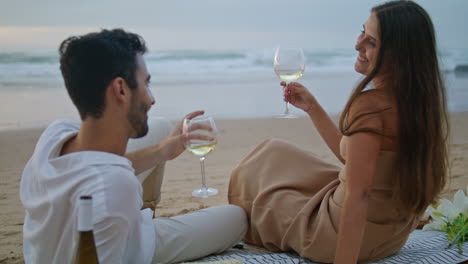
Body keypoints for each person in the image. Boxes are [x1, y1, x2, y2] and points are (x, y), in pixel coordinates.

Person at [228, 1, 449, 263]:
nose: (357, 45)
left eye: (372, 42)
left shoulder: (370, 107)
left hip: (337, 236)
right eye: (362, 32)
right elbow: (361, 165)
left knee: (263, 191)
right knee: (275, 152)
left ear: (399, 54)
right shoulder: (420, 105)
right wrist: (313, 108)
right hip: (389, 237)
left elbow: (359, 194)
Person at [20, 29, 247, 264]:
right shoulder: (116, 185)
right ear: (120, 90)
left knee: (158, 126)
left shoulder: (55, 134)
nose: (151, 99)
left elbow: (95, 167)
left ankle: (139, 212)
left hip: (45, 250)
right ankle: (142, 223)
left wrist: (163, 151)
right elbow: (107, 183)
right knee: (237, 218)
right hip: (129, 246)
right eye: (145, 83)